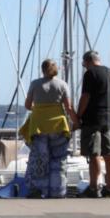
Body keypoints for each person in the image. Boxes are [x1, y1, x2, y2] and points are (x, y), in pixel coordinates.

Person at [74, 50, 110, 198]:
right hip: (109, 118)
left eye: (84, 64)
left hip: (92, 118)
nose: (84, 66)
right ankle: (109, 188)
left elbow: (85, 96)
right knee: (109, 154)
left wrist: (78, 116)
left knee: (94, 155)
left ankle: (93, 188)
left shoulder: (90, 73)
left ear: (88, 61)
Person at [19, 60, 77, 198]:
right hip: (58, 125)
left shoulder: (35, 84)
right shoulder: (62, 84)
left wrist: (38, 109)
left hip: (39, 125)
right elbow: (68, 108)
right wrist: (77, 122)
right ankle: (58, 191)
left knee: (40, 159)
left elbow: (28, 105)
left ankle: (38, 190)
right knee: (59, 160)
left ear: (42, 70)